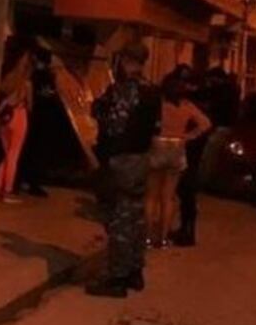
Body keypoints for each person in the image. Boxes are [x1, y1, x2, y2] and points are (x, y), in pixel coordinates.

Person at [86, 41, 161, 298]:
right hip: (141, 158)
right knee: (135, 218)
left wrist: (99, 110)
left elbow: (115, 125)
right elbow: (155, 127)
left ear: (126, 60)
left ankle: (116, 278)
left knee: (119, 219)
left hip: (121, 159)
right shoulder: (151, 89)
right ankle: (134, 272)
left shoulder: (124, 90)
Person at [147, 73, 212, 248]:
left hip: (158, 143)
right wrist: (189, 136)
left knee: (152, 196)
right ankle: (163, 238)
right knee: (168, 197)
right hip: (177, 146)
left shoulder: (159, 104)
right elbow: (206, 123)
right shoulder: (186, 106)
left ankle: (147, 237)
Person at [16, 46, 58, 198]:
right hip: (43, 119)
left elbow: (31, 101)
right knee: (37, 152)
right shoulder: (48, 77)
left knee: (27, 150)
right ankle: (32, 182)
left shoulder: (34, 76)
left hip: (34, 118)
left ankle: (22, 180)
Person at [0, 45, 34, 203]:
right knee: (13, 154)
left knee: (6, 154)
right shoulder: (26, 83)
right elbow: (30, 105)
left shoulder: (7, 78)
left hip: (4, 117)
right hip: (19, 115)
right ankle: (7, 190)